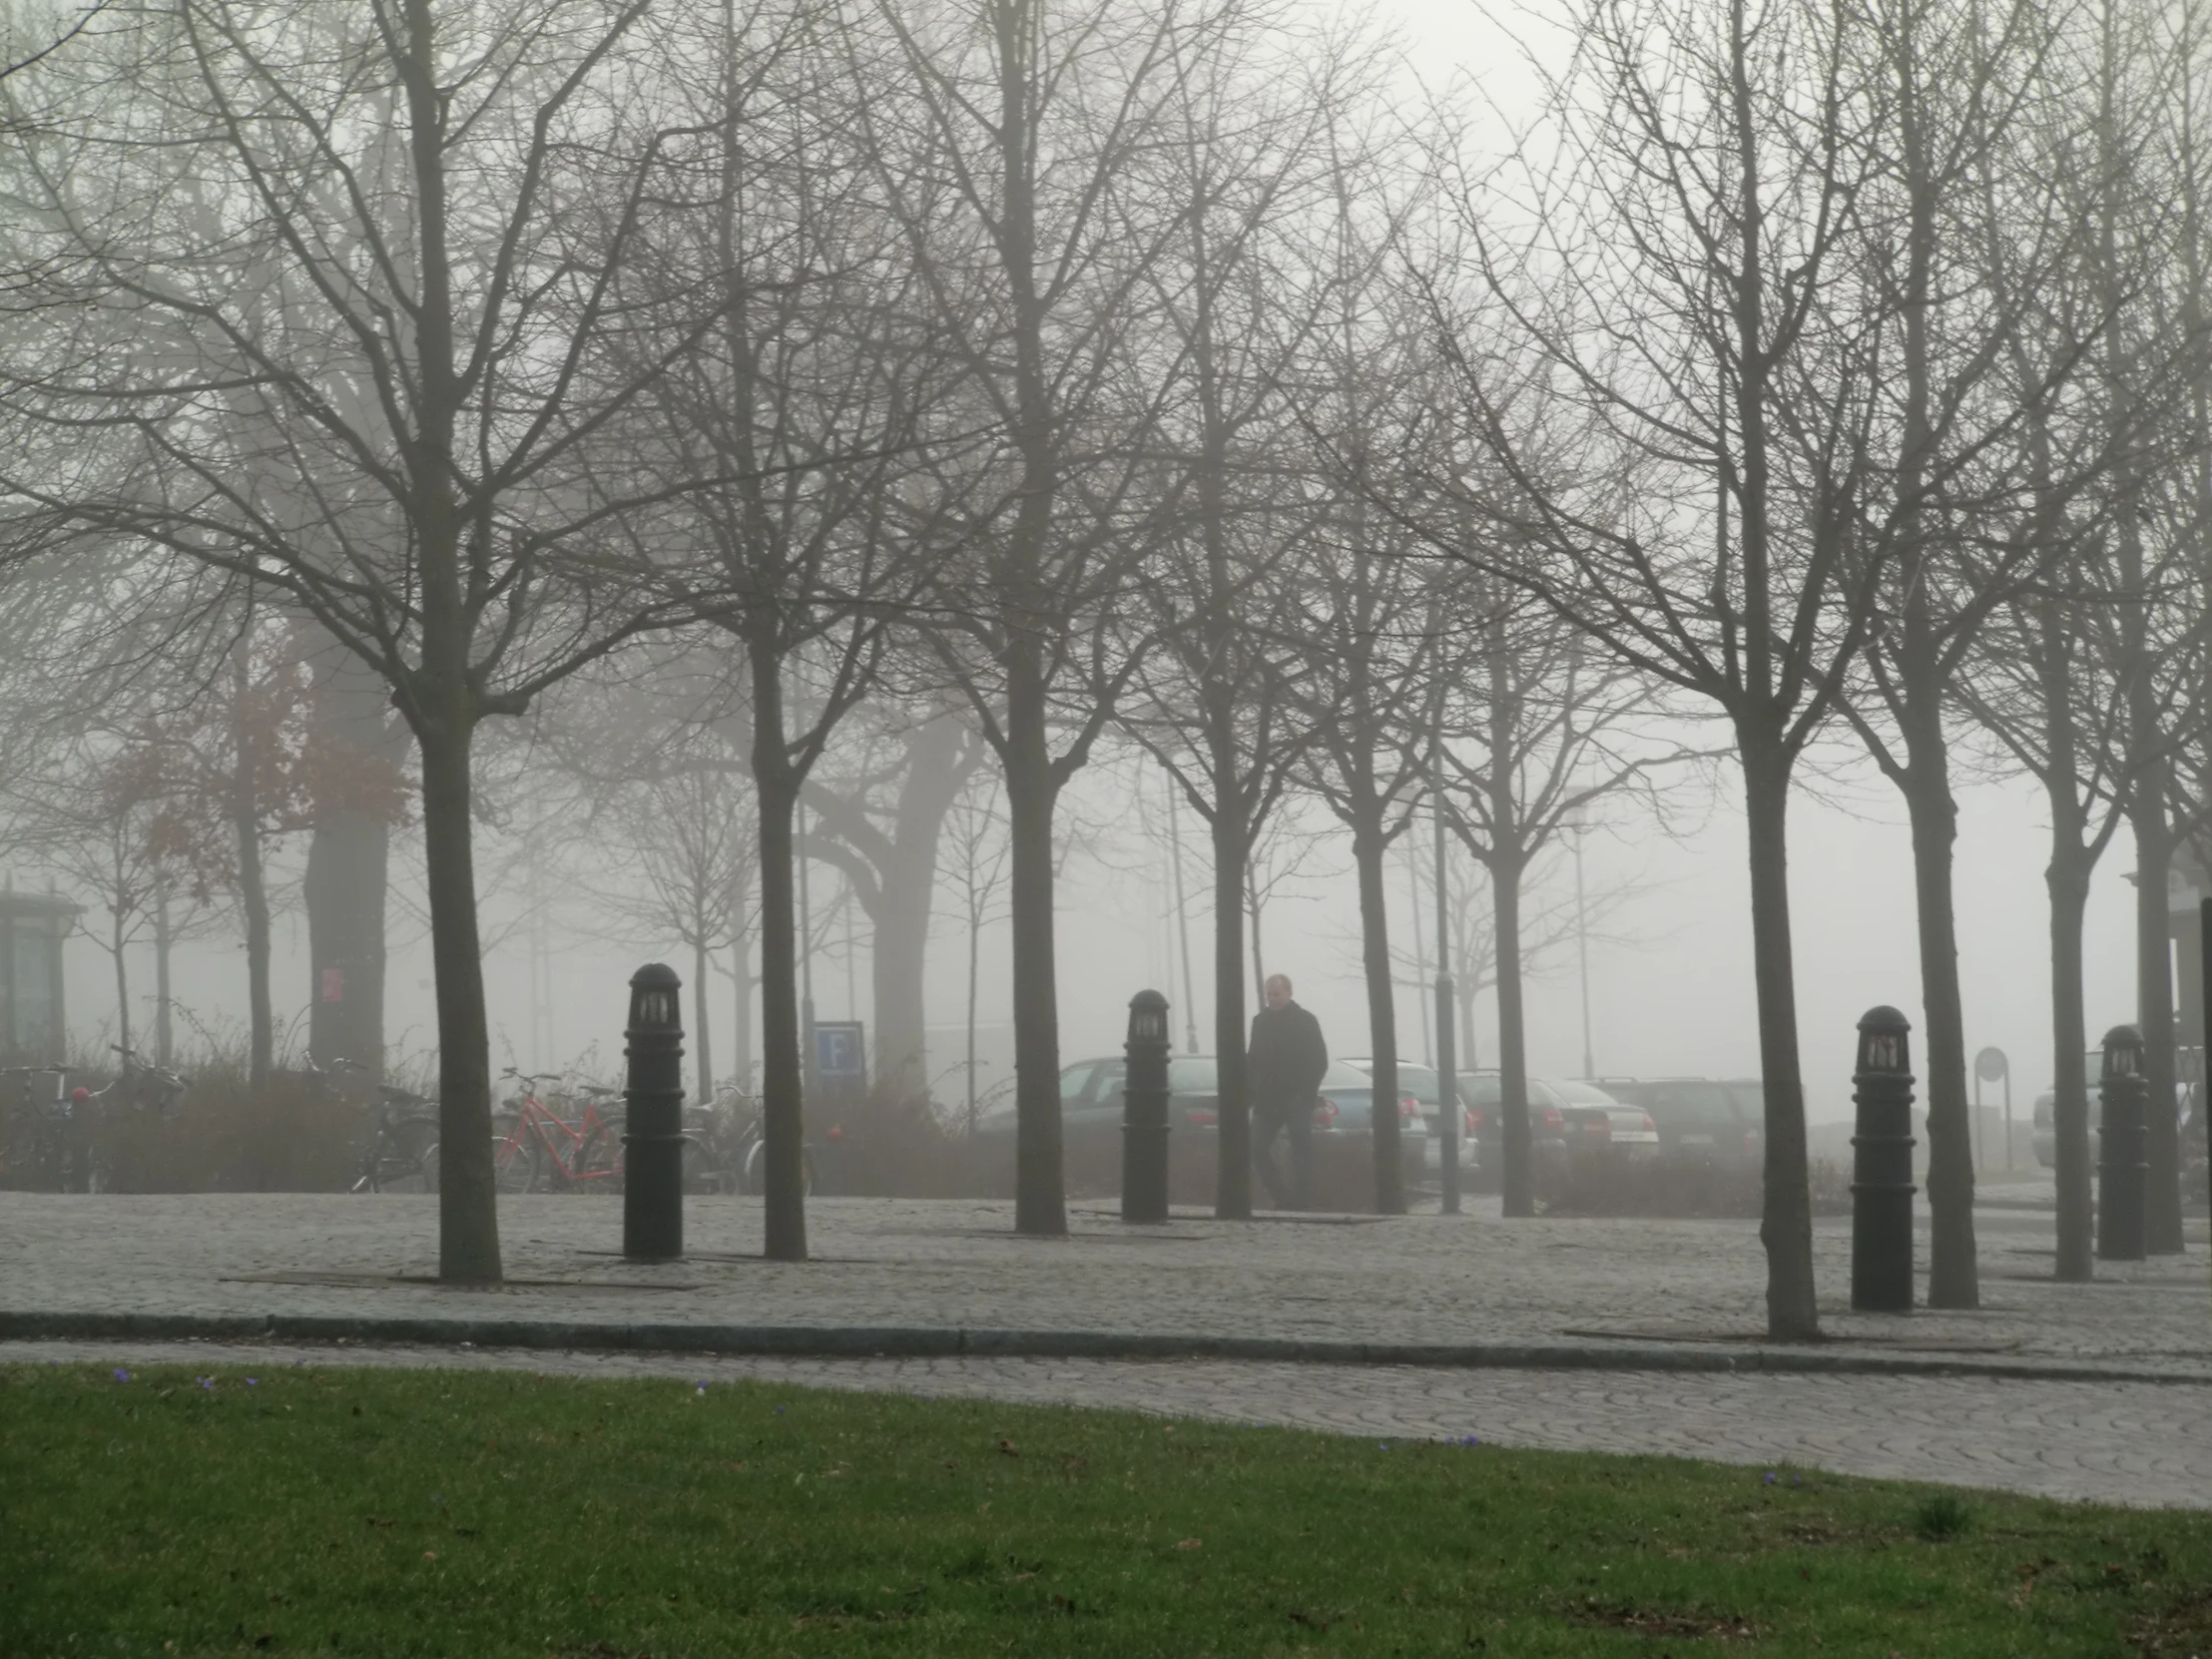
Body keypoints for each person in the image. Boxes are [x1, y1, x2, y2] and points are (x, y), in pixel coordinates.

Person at [1249, 972, 1328, 1210]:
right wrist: (1251, 1090)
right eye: (1269, 994)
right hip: (1266, 1098)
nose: (1272, 999)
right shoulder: (1259, 1022)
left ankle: (1303, 1201)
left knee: (1300, 1150)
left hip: (1296, 1099)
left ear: (1289, 993)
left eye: (1277, 994)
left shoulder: (1305, 1021)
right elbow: (1252, 1059)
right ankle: (1281, 1198)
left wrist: (1305, 1094)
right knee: (1257, 1148)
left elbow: (1319, 1061)